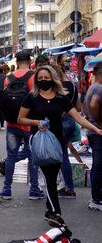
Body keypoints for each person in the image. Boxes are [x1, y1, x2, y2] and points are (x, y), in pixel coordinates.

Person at [18, 65, 102, 226]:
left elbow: (78, 117)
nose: (43, 80)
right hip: (39, 142)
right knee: (49, 178)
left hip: (58, 142)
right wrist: (37, 122)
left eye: (46, 78)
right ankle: (56, 213)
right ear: (36, 80)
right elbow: (20, 118)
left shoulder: (61, 98)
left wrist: (96, 129)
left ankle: (50, 210)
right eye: (40, 78)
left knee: (53, 177)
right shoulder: (31, 97)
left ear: (53, 78)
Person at [0, 50, 43, 201]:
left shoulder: (8, 78)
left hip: (11, 123)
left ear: (16, 62)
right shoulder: (33, 76)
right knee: (32, 157)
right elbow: (36, 99)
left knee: (11, 156)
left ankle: (6, 189)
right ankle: (34, 189)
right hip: (29, 123)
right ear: (30, 61)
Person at [52, 64, 81, 199]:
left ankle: (69, 188)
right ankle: (65, 185)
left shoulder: (59, 87)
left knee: (62, 156)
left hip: (61, 122)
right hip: (70, 121)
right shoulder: (73, 85)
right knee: (63, 154)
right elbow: (78, 107)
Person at [83, 62, 102, 211]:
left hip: (93, 130)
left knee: (98, 164)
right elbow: (94, 105)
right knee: (99, 164)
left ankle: (96, 197)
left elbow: (85, 106)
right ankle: (97, 198)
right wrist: (99, 123)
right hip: (97, 132)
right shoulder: (99, 88)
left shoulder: (92, 87)